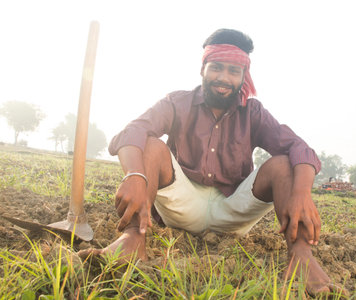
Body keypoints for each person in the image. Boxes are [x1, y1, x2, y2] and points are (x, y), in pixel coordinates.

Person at [79, 28, 341, 295]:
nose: (223, 78)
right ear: (203, 67)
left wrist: (301, 192)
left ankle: (300, 254)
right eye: (216, 68)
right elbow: (132, 132)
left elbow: (299, 148)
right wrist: (135, 174)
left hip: (232, 209)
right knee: (152, 145)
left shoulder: (253, 113)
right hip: (183, 204)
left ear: (243, 77)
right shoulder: (177, 102)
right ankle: (133, 237)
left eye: (233, 71)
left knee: (285, 164)